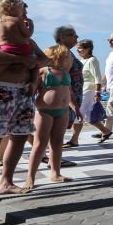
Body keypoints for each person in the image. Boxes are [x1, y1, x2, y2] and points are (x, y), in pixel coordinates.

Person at [0, 9, 49, 205]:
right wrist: (21, 59)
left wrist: (30, 63)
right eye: (22, 9)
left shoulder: (26, 39)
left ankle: (6, 182)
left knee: (20, 137)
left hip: (23, 92)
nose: (25, 13)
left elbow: (43, 59)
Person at [25, 45, 74, 190]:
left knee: (57, 142)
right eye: (65, 57)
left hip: (63, 111)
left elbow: (68, 92)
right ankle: (30, 177)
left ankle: (55, 173)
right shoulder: (44, 72)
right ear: (55, 58)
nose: (68, 60)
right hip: (44, 111)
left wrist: (75, 108)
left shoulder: (66, 73)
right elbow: (32, 91)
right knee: (39, 144)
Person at [0, 0, 37, 95]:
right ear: (11, 9)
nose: (26, 15)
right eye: (23, 11)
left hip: (23, 90)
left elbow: (44, 60)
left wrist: (32, 61)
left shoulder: (22, 37)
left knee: (35, 66)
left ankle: (33, 84)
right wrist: (23, 59)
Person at [54, 26, 85, 151]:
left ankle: (53, 157)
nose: (76, 37)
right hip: (65, 98)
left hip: (69, 98)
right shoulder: (63, 53)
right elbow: (64, 80)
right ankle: (53, 158)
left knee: (58, 131)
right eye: (72, 35)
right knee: (57, 131)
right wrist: (74, 105)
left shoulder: (67, 52)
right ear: (61, 38)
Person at [76, 39, 112, 142]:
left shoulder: (92, 60)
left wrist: (98, 93)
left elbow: (97, 78)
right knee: (87, 115)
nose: (78, 50)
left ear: (88, 49)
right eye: (77, 48)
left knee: (80, 114)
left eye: (80, 48)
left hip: (89, 91)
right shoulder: (82, 61)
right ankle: (105, 131)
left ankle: (74, 139)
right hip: (82, 90)